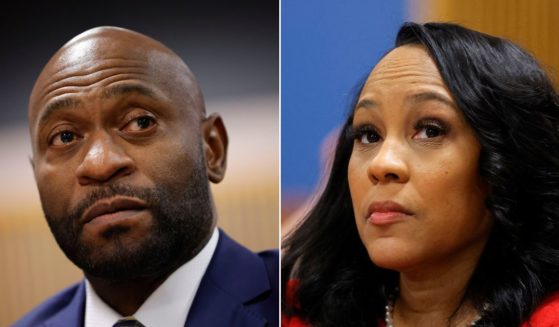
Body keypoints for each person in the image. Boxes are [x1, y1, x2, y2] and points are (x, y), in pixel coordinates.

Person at [282, 22, 559, 327]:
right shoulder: (299, 312)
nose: (381, 164)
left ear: (505, 163)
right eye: (369, 135)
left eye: (430, 130)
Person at [13, 26, 278, 327]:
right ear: (37, 179)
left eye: (140, 122)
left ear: (212, 149)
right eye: (65, 137)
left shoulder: (296, 303)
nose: (99, 165)